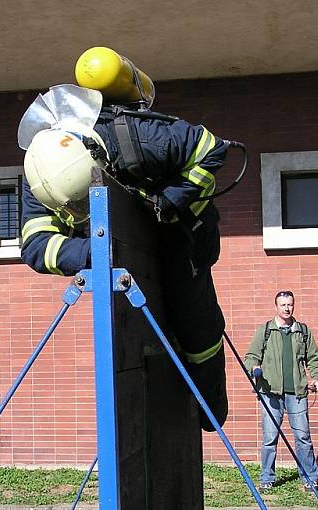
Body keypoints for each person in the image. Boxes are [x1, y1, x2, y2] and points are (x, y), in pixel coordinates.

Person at [18, 78, 242, 432]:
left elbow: (211, 149)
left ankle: (210, 406)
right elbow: (35, 245)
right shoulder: (44, 175)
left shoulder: (137, 135)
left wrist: (172, 199)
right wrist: (99, 250)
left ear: (98, 160)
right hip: (132, 260)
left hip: (185, 233)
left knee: (195, 319)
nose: (81, 213)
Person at [243, 291, 318, 491]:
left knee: (303, 437)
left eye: (290, 304)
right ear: (276, 307)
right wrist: (254, 368)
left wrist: (315, 378)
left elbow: (314, 360)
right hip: (270, 393)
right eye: (283, 305)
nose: (287, 308)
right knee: (270, 438)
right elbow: (251, 357)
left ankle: (309, 477)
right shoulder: (265, 331)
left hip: (297, 393)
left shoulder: (303, 331)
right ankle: (266, 478)